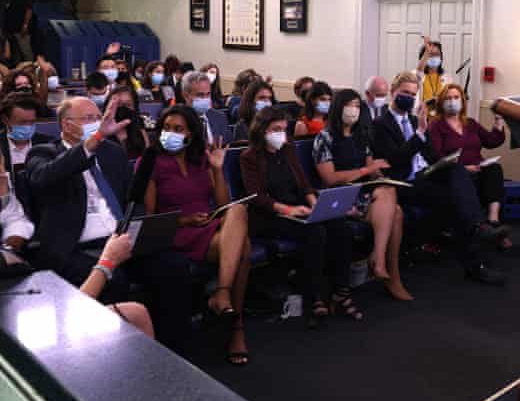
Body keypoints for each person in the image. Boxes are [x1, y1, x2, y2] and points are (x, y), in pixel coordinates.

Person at [24, 96, 192, 354]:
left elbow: (132, 199)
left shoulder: (112, 153)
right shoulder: (43, 152)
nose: (99, 124)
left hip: (120, 237)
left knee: (173, 266)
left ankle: (172, 352)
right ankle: (120, 358)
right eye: (90, 119)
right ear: (67, 125)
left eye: (99, 118)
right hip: (77, 248)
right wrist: (94, 141)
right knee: (116, 281)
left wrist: (135, 229)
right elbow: (44, 177)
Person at [140, 105, 251, 365]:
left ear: (191, 134)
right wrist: (185, 219)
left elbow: (222, 204)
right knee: (243, 248)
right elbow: (151, 216)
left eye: (178, 129)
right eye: (166, 128)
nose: (171, 133)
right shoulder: (153, 162)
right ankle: (236, 327)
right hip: (177, 231)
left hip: (207, 226)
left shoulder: (200, 158)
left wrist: (218, 169)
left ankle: (222, 295)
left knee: (237, 209)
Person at [372, 71, 506, 285]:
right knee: (458, 194)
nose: (408, 97)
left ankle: (476, 254)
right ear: (393, 92)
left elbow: (430, 155)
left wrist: (443, 161)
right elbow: (394, 159)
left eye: (412, 94)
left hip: (425, 176)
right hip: (403, 183)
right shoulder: (381, 124)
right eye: (404, 92)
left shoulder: (416, 120)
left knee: (457, 176)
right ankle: (477, 235)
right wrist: (419, 135)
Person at [240, 106, 361, 328]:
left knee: (339, 226)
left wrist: (318, 207)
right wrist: (287, 210)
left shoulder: (288, 150)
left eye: (284, 130)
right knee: (315, 231)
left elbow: (304, 185)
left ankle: (341, 290)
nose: (281, 135)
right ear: (262, 130)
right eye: (276, 129)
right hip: (270, 216)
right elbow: (256, 197)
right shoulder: (250, 157)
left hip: (298, 209)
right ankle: (314, 296)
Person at [313, 89, 412, 300]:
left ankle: (381, 261)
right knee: (395, 212)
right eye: (350, 105)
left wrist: (379, 170)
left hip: (362, 193)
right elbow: (330, 178)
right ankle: (387, 271)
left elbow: (370, 169)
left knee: (392, 199)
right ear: (338, 108)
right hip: (339, 197)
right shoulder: (325, 137)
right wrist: (366, 171)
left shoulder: (361, 136)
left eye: (358, 106)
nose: (354, 110)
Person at [429, 84, 520, 256]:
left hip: (479, 170)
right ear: (441, 102)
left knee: (494, 169)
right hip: (455, 174)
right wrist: (464, 168)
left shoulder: (470, 124)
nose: (452, 101)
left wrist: (499, 121)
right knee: (472, 178)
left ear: (462, 101)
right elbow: (436, 157)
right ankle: (486, 230)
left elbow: (491, 141)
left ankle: (493, 221)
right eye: (448, 98)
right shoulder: (436, 126)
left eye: (456, 97)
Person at [0, 93, 55, 172]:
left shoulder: (49, 144)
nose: (27, 127)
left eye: (32, 122)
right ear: (5, 120)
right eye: (22, 122)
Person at [3, 0, 44, 66]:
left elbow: (29, 10)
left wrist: (25, 25)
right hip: (9, 28)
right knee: (12, 52)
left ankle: (30, 70)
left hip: (21, 28)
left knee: (25, 51)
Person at [182, 71, 229, 144]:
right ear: (186, 96)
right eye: (200, 95)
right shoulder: (177, 120)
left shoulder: (220, 117)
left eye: (208, 94)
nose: (205, 98)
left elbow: (228, 149)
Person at [107, 86, 149, 160]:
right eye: (118, 104)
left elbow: (146, 155)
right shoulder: (100, 129)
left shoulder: (138, 124)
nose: (123, 108)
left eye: (128, 105)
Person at [416, 37, 446, 110]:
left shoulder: (447, 78)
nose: (434, 57)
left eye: (437, 54)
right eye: (431, 55)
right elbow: (419, 71)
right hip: (424, 115)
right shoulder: (419, 75)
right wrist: (427, 52)